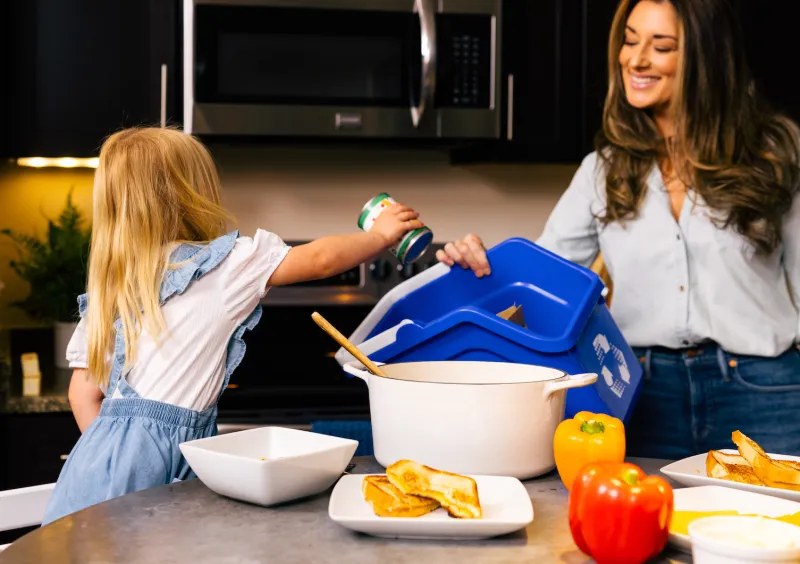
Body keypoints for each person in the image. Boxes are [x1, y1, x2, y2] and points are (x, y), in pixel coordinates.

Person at [438, 0, 800, 459]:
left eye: (661, 46)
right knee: (642, 526)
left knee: (776, 529)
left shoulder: (776, 153)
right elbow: (536, 283)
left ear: (707, 57)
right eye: (630, 41)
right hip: (641, 394)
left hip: (766, 391)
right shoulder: (602, 171)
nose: (635, 59)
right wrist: (480, 264)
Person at [43, 127, 422, 524]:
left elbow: (82, 396)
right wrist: (380, 236)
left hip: (86, 474)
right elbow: (321, 260)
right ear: (194, 193)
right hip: (154, 475)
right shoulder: (222, 265)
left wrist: (114, 457)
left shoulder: (112, 286)